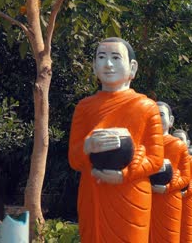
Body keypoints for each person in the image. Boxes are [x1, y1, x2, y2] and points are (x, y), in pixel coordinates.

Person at [68, 37, 164, 242]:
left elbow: (155, 159)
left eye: (115, 57)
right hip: (94, 192)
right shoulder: (84, 107)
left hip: (132, 195)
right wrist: (87, 146)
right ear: (94, 66)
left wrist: (125, 175)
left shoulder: (146, 107)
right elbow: (74, 159)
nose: (108, 64)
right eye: (101, 57)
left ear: (132, 67)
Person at [149, 101, 191, 242]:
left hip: (170, 200)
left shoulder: (178, 146)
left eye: (161, 115)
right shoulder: (142, 144)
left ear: (171, 121)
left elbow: (186, 177)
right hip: (146, 198)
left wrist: (167, 187)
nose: (156, 118)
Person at [173, 130, 192, 242]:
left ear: (187, 143)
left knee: (186, 233)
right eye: (175, 138)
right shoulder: (166, 154)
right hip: (168, 199)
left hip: (188, 201)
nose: (177, 141)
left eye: (180, 139)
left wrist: (186, 192)